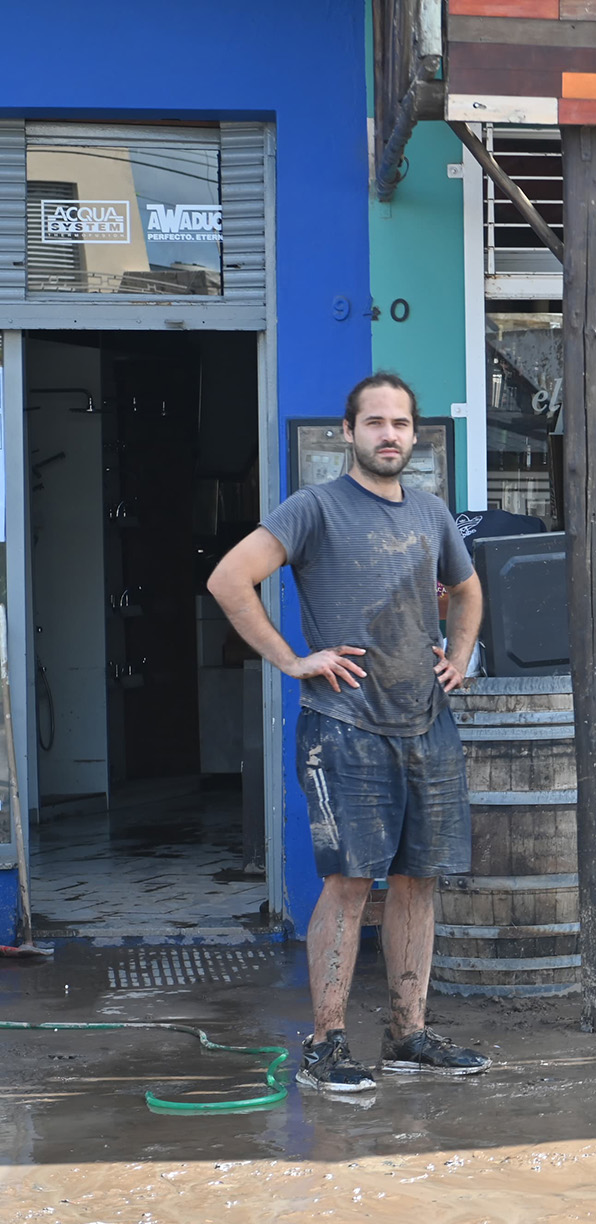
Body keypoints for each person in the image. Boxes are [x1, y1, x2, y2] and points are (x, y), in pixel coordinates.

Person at [208, 372, 489, 1094]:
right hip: (345, 726)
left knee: (418, 879)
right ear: (348, 431)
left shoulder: (430, 511)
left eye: (400, 423)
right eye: (375, 423)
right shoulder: (315, 508)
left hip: (426, 722)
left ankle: (408, 1034)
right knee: (349, 883)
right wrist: (294, 659)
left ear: (414, 434)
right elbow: (229, 579)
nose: (388, 434)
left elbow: (467, 588)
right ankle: (327, 1043)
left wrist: (459, 657)